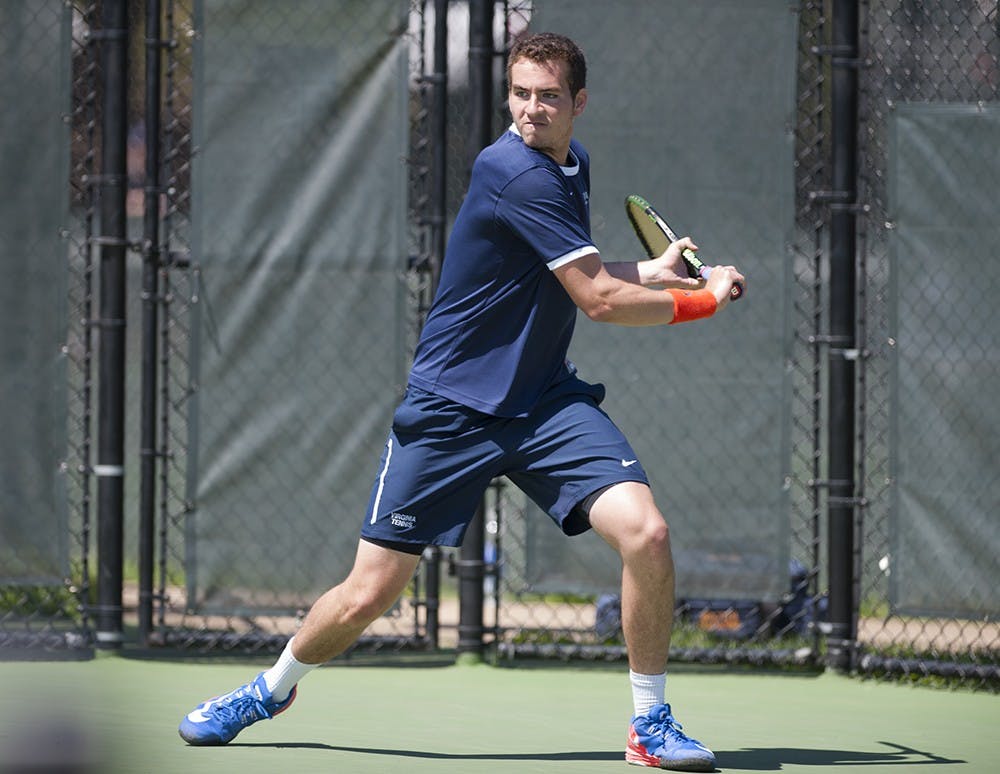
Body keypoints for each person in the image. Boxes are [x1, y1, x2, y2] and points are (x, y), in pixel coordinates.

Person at [178, 32, 744, 772]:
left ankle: (650, 726)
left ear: (578, 103)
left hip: (543, 403)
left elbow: (568, 267)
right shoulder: (513, 170)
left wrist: (658, 271)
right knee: (367, 594)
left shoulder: (570, 167)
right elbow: (598, 301)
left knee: (648, 535)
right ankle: (269, 689)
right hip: (450, 410)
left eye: (547, 95)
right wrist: (701, 298)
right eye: (519, 93)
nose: (530, 109)